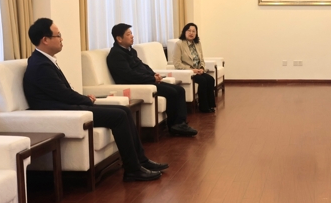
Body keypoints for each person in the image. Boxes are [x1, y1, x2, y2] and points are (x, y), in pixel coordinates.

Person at [23, 18, 167, 182]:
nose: (62, 39)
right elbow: (63, 94)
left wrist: (84, 98)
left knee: (124, 111)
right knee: (119, 116)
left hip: (65, 105)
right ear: (45, 40)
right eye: (58, 35)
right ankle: (133, 169)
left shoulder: (44, 60)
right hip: (60, 111)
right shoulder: (40, 65)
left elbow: (62, 92)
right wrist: (85, 100)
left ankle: (141, 161)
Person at [106, 23, 198, 137]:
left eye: (131, 33)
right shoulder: (116, 55)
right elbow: (129, 75)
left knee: (179, 90)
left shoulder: (130, 51)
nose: (132, 36)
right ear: (119, 39)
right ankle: (175, 125)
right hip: (137, 85)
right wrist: (151, 78)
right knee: (173, 92)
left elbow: (142, 66)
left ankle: (180, 123)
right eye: (128, 34)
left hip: (146, 81)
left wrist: (154, 74)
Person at [173, 23, 216, 113]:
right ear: (184, 32)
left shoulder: (197, 43)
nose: (191, 33)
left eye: (193, 31)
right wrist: (191, 70)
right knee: (203, 81)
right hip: (188, 72)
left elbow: (202, 59)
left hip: (198, 71)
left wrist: (202, 68)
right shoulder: (179, 44)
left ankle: (210, 105)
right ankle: (203, 107)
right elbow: (177, 63)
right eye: (189, 31)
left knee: (210, 79)